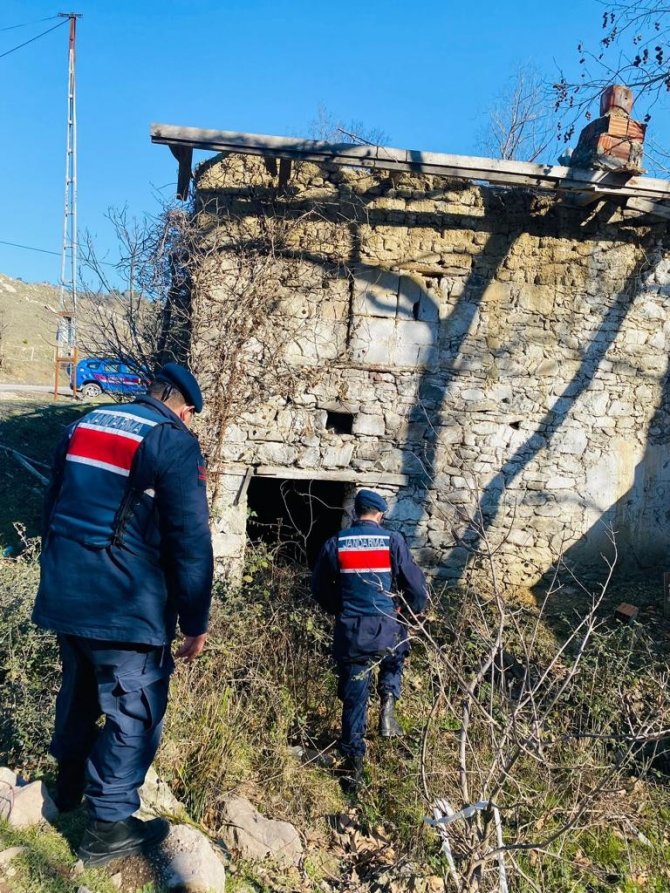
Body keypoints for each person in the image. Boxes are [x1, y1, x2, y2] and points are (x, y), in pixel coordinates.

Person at [33, 362, 214, 866]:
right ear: (184, 409)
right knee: (135, 709)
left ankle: (68, 789)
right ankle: (107, 828)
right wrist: (195, 621)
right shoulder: (173, 442)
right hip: (126, 604)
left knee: (78, 689)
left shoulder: (84, 423)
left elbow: (52, 507)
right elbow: (189, 540)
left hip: (67, 592)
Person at [311, 489, 427, 788]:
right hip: (387, 625)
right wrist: (408, 613)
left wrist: (340, 608)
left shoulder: (336, 542)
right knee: (395, 654)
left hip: (352, 631)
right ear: (380, 514)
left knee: (355, 697)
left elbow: (320, 588)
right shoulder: (392, 541)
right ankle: (388, 704)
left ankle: (353, 767)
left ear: (355, 512)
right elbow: (416, 587)